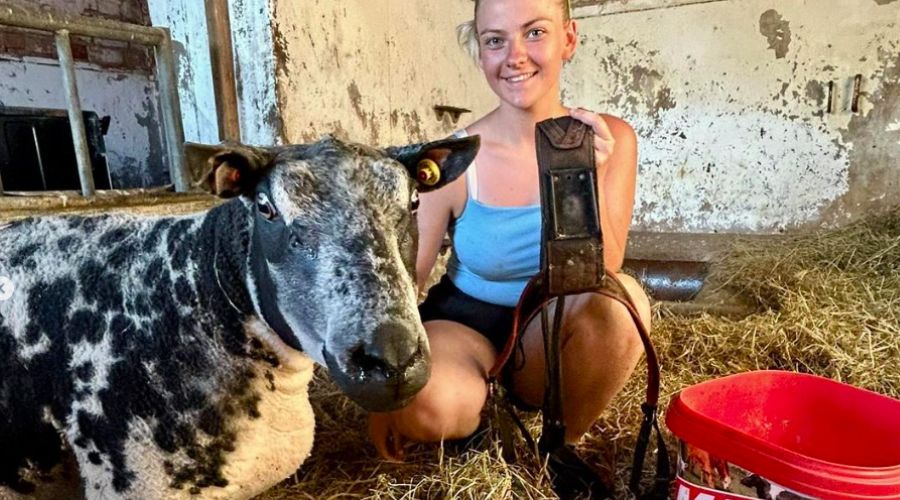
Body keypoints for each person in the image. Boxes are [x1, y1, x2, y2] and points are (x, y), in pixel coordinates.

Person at [368, 0, 651, 461]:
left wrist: (581, 179)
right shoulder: (452, 157)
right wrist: (385, 392)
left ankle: (561, 449)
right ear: (481, 52)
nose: (514, 56)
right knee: (426, 409)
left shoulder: (610, 139)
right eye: (495, 40)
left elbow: (604, 269)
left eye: (535, 33)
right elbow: (407, 280)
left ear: (569, 39)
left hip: (552, 325)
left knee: (624, 304)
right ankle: (474, 420)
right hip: (465, 324)